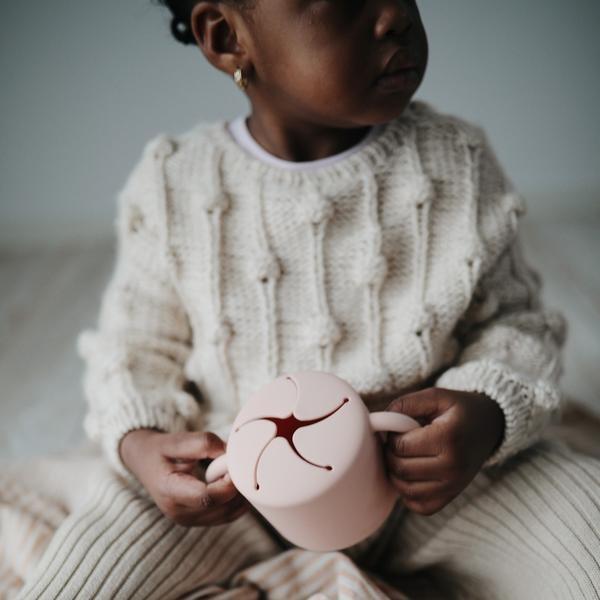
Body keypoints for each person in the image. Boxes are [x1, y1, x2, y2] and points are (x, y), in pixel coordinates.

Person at [15, 0, 600, 598]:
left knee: (588, 528)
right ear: (226, 37)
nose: (395, 14)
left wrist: (485, 414)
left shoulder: (456, 162)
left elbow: (516, 324)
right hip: (236, 494)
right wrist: (141, 443)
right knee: (83, 575)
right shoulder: (175, 184)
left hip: (431, 484)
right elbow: (135, 348)